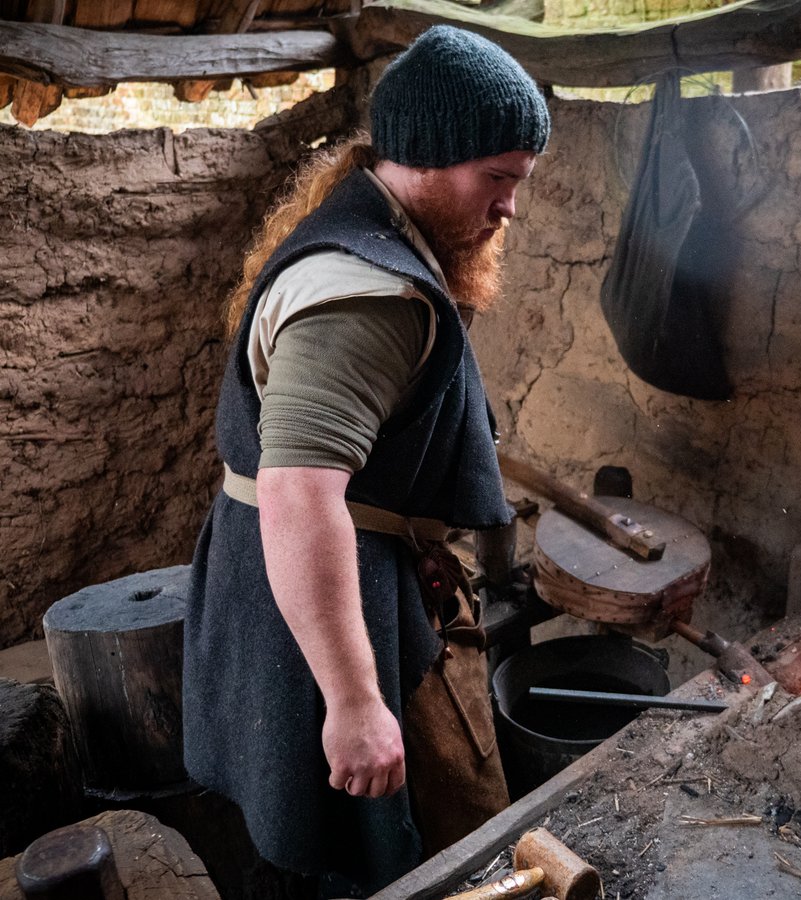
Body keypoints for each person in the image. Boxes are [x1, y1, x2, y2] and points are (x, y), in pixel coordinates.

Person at [182, 25, 550, 896]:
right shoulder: (367, 300)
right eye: (495, 179)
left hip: (311, 572)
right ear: (427, 156)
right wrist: (351, 700)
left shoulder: (369, 230)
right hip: (322, 588)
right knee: (379, 845)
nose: (509, 207)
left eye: (518, 181)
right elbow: (301, 495)